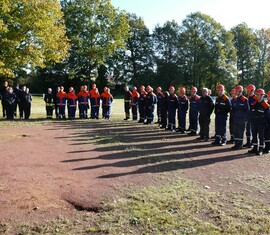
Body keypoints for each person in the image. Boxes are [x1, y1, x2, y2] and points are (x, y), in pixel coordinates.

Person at [248, 89, 270, 155]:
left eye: (258, 94)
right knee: (254, 135)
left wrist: (265, 124)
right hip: (254, 122)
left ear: (262, 95)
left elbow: (267, 116)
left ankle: (261, 149)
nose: (257, 96)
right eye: (256, 94)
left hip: (261, 123)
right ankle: (255, 148)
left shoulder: (266, 105)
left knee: (261, 136)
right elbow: (251, 113)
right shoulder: (254, 104)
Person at [231, 85, 249, 150]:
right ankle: (236, 144)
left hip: (242, 118)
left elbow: (247, 110)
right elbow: (233, 109)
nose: (236, 92)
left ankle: (240, 144)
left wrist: (245, 119)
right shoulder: (235, 99)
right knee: (235, 131)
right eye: (236, 91)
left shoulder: (244, 100)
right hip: (235, 117)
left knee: (240, 132)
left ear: (241, 91)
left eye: (237, 91)